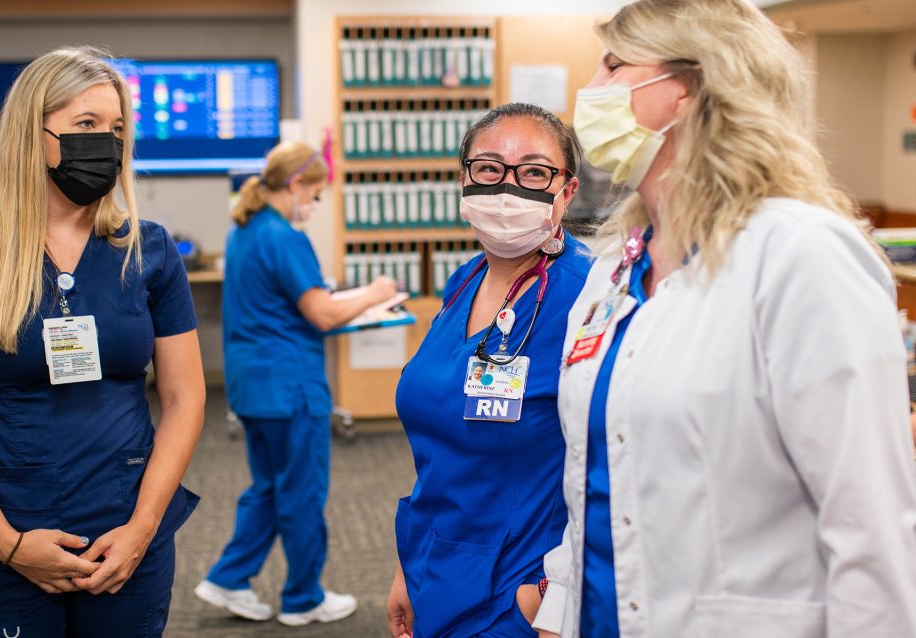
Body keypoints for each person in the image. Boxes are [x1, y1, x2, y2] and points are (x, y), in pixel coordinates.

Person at [531, 1, 916, 636]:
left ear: (687, 88)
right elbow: (595, 478)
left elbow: (871, 529)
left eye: (614, 63)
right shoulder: (613, 271)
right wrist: (560, 608)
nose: (591, 87)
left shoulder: (800, 254)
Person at [0, 47, 204, 637]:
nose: (106, 143)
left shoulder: (148, 250)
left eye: (116, 129)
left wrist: (143, 528)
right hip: (3, 543)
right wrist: (9, 545)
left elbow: (187, 396)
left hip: (123, 542)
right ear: (30, 133)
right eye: (85, 125)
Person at [387, 102, 594, 638]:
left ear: (566, 191)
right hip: (437, 569)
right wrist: (409, 567)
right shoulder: (464, 281)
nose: (507, 187)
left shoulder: (589, 297)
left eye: (532, 171)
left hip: (521, 589)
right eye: (488, 168)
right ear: (464, 179)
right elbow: (442, 438)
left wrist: (555, 598)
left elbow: (617, 460)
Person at [195, 141, 398, 627]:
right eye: (316, 194)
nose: (315, 204)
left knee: (269, 487)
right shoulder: (284, 237)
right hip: (291, 389)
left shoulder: (245, 229)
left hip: (253, 387)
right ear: (296, 186)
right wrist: (374, 293)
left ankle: (229, 577)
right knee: (302, 492)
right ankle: (304, 598)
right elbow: (323, 313)